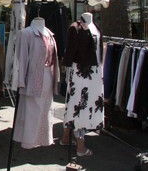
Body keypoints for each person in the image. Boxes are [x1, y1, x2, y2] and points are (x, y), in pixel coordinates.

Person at [60, 12, 104, 157]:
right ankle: (80, 147)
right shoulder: (75, 27)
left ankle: (66, 137)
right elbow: (71, 50)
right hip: (81, 71)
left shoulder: (96, 26)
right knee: (80, 105)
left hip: (95, 71)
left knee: (78, 103)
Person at [13, 17, 60, 149]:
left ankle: (43, 139)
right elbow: (21, 59)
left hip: (48, 78)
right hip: (32, 79)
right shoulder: (26, 33)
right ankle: (29, 141)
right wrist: (21, 81)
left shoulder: (50, 34)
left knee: (46, 110)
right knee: (32, 111)